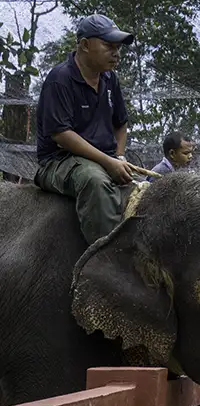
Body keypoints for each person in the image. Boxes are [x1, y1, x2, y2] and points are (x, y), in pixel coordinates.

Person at [34, 14, 135, 244]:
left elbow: (120, 123)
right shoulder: (60, 79)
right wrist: (109, 162)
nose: (116, 53)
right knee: (96, 182)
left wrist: (118, 156)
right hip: (59, 160)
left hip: (103, 158)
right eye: (109, 46)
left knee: (145, 187)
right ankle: (108, 263)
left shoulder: (110, 79)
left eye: (118, 47)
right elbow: (61, 135)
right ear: (85, 45)